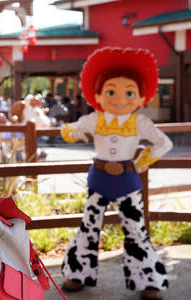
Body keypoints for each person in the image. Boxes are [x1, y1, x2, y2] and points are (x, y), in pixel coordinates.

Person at [60, 47, 172, 300]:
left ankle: (148, 281)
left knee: (136, 229)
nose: (120, 99)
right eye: (111, 91)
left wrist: (142, 162)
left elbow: (164, 143)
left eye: (129, 92)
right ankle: (78, 274)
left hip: (127, 180)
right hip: (98, 178)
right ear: (98, 95)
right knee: (89, 227)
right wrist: (73, 132)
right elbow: (70, 129)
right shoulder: (94, 119)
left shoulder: (140, 122)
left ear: (141, 96)